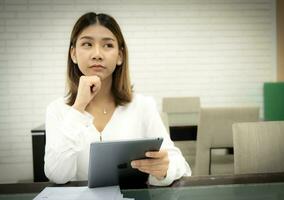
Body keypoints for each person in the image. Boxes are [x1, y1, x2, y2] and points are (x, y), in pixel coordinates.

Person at [44, 12, 191, 186]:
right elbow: (57, 175)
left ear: (120, 56)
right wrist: (78, 107)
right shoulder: (57, 109)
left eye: (107, 45)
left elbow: (179, 163)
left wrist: (165, 169)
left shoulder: (143, 106)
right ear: (73, 54)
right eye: (87, 44)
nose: (97, 54)